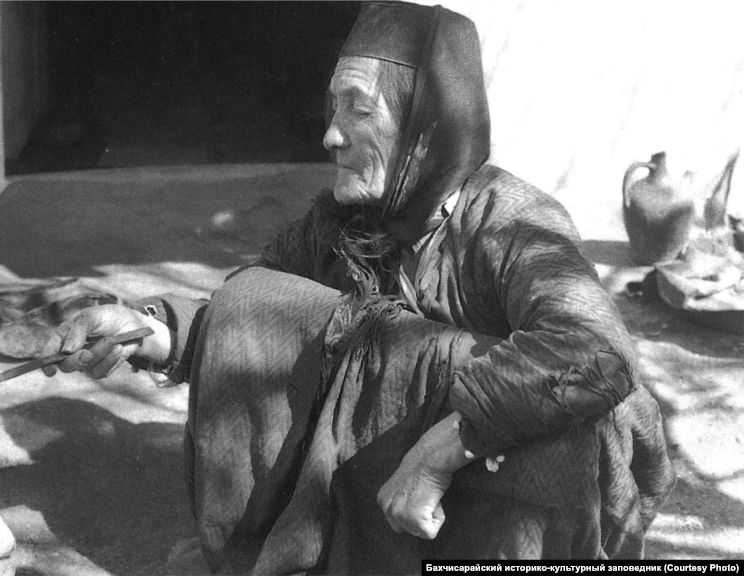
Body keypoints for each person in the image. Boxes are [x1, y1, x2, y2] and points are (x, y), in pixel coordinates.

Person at [41, 2, 675, 572]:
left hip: (510, 484)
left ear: (428, 125)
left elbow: (597, 352)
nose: (330, 135)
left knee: (551, 442)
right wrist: (147, 332)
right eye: (332, 106)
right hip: (407, 487)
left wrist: (437, 454)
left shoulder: (513, 223)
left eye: (359, 108)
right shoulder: (344, 220)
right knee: (281, 308)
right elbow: (256, 323)